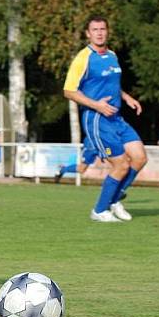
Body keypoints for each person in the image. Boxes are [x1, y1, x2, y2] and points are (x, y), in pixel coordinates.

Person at [63, 15, 147, 222]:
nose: (99, 33)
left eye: (103, 29)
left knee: (139, 157)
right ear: (88, 34)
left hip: (116, 117)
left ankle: (115, 197)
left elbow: (112, 84)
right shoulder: (83, 58)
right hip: (97, 119)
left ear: (107, 31)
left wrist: (127, 98)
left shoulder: (112, 55)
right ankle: (100, 210)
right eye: (95, 30)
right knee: (121, 165)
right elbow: (69, 91)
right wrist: (97, 105)